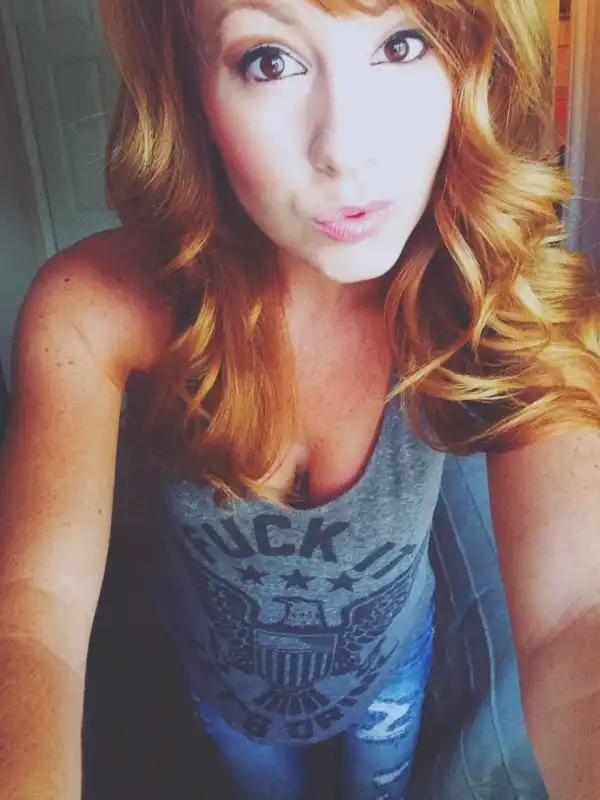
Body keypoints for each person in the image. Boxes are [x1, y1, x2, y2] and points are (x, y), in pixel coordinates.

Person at [1, 0, 600, 798]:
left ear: (478, 63)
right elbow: (31, 617)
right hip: (227, 695)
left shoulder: (504, 306)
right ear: (189, 87)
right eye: (270, 61)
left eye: (402, 43)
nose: (345, 151)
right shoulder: (95, 312)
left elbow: (576, 613)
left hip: (389, 676)